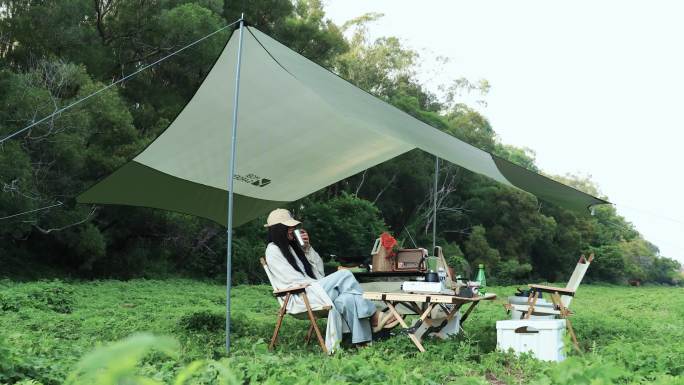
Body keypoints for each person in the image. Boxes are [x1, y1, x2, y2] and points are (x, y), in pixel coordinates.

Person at [264, 208, 396, 346]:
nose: (292, 228)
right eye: (288, 226)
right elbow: (293, 280)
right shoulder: (273, 250)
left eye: (292, 226)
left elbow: (318, 270)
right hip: (300, 296)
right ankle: (374, 315)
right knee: (345, 274)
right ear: (278, 229)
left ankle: (361, 343)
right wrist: (325, 282)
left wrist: (307, 248)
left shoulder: (293, 248)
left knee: (348, 298)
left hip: (312, 290)